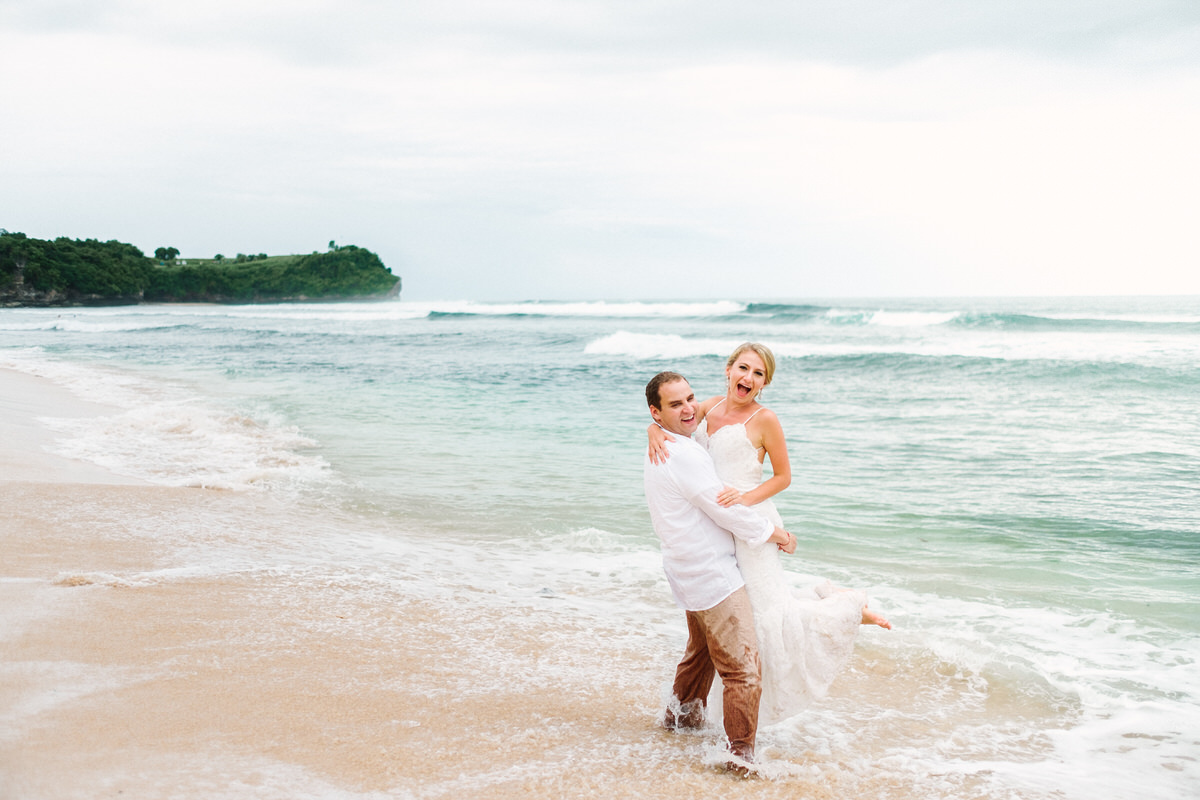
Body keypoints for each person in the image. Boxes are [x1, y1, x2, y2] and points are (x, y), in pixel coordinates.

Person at [649, 343, 890, 726]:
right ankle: (684, 718)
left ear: (765, 382)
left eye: (758, 374)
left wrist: (745, 499)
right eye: (743, 368)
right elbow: (676, 419)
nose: (748, 378)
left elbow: (783, 477)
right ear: (728, 370)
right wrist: (652, 430)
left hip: (748, 518)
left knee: (766, 614)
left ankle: (847, 610)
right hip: (715, 526)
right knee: (722, 625)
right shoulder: (707, 407)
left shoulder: (765, 419)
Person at [643, 370, 796, 769]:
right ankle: (740, 757)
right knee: (743, 669)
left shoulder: (670, 444)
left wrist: (652, 428)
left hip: (686, 568)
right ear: (656, 412)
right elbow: (724, 509)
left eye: (690, 398)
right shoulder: (683, 455)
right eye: (675, 404)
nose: (689, 408)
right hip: (712, 574)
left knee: (700, 654)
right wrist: (774, 533)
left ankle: (679, 722)